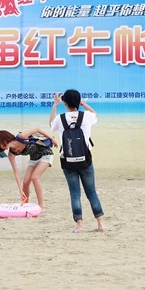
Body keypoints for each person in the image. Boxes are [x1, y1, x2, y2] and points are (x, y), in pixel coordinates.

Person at [49, 89, 105, 233]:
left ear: (65, 103)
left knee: (75, 193)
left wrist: (55, 105)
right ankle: (100, 224)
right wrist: (83, 104)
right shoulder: (86, 116)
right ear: (78, 102)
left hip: (68, 161)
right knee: (91, 192)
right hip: (85, 160)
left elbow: (51, 124)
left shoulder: (60, 119)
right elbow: (94, 114)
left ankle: (79, 226)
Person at [0, 127, 57, 210]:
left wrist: (52, 139)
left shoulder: (21, 137)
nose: (1, 146)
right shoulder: (11, 154)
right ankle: (25, 205)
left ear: (6, 139)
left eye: (1, 143)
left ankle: (41, 206)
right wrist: (20, 190)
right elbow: (16, 173)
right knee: (25, 182)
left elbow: (37, 129)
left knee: (35, 177)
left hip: (46, 154)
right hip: (34, 159)